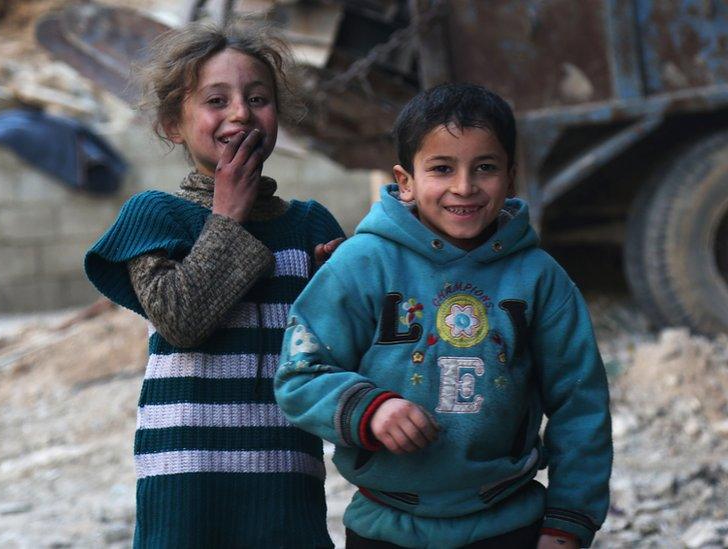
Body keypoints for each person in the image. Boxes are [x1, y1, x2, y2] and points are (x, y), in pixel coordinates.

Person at [274, 83, 612, 549]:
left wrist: (568, 521)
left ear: (511, 177)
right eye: (442, 168)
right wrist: (370, 409)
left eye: (485, 168)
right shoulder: (362, 264)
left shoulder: (538, 277)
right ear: (406, 180)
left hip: (509, 521)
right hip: (385, 526)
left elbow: (581, 404)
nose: (464, 186)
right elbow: (298, 375)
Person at [84, 18, 343, 548]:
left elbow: (340, 357)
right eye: (216, 100)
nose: (241, 113)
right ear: (173, 125)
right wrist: (227, 218)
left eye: (258, 98)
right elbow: (182, 320)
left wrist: (353, 282)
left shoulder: (311, 226)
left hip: (285, 479)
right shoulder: (157, 216)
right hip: (186, 482)